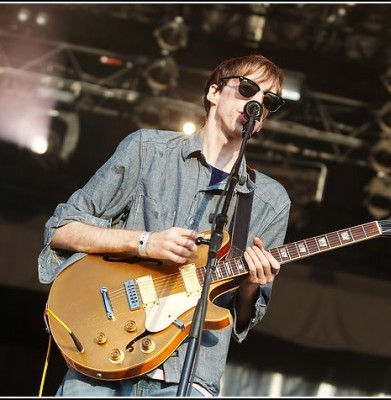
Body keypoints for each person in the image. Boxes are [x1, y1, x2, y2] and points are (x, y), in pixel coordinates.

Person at [38, 53, 291, 397]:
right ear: (214, 92)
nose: (256, 103)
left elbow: (244, 316)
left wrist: (251, 284)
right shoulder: (147, 150)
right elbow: (63, 229)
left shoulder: (270, 201)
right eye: (247, 89)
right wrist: (144, 242)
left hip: (186, 373)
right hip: (103, 352)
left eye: (269, 100)